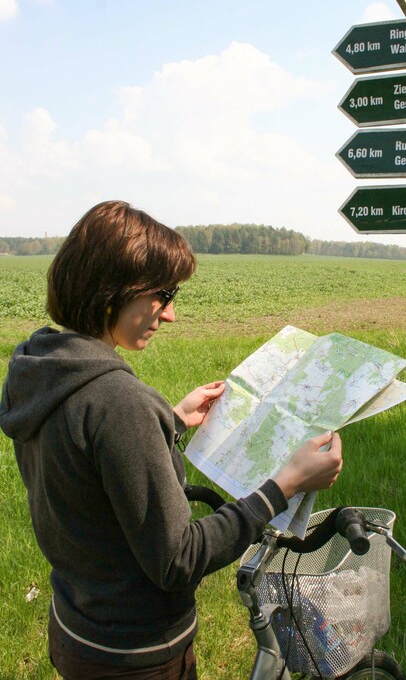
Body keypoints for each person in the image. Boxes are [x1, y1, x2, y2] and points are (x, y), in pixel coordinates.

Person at [0, 200, 343, 680]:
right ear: (113, 290)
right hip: (137, 653)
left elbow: (87, 468)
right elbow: (179, 559)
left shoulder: (40, 368)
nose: (172, 314)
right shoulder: (118, 403)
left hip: (78, 626)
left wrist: (172, 422)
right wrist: (282, 485)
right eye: (164, 294)